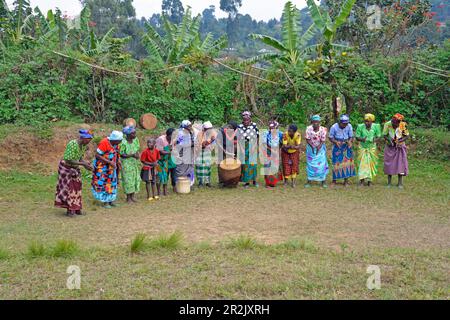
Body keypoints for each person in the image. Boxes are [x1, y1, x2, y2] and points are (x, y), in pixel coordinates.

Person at [55, 129, 94, 217]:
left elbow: (79, 158)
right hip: (66, 168)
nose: (89, 142)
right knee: (69, 189)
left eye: (90, 140)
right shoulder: (72, 144)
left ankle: (77, 209)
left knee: (77, 188)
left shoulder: (83, 145)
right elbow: (68, 159)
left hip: (74, 168)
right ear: (83, 138)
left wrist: (85, 165)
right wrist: (83, 164)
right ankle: (70, 210)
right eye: (88, 140)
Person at [91, 131, 123, 208]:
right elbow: (97, 155)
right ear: (114, 139)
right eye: (119, 140)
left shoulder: (116, 144)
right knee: (103, 184)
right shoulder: (104, 142)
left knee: (112, 184)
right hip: (102, 168)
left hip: (112, 169)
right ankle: (105, 202)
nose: (120, 142)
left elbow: (116, 153)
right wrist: (109, 162)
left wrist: (118, 161)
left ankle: (111, 200)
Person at [383, 113, 410, 188]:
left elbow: (407, 136)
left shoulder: (403, 124)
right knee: (389, 163)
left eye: (396, 124)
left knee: (400, 164)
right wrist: (389, 140)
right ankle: (389, 183)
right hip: (390, 146)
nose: (394, 125)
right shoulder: (387, 124)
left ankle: (400, 183)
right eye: (393, 123)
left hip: (400, 147)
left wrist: (400, 141)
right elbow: (384, 135)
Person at [355, 113, 382, 186]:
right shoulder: (360, 127)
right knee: (362, 164)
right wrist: (362, 139)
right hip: (362, 148)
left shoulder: (376, 127)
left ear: (372, 121)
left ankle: (370, 181)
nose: (366, 123)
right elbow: (357, 137)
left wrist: (375, 140)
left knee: (371, 164)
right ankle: (362, 180)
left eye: (368, 121)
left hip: (372, 148)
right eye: (365, 121)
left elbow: (379, 136)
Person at [329, 114, 356, 187]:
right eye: (344, 124)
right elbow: (330, 137)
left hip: (346, 146)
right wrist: (335, 142)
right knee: (336, 162)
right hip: (337, 146)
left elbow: (351, 136)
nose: (345, 125)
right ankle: (334, 181)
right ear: (340, 122)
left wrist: (350, 141)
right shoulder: (334, 127)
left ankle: (346, 181)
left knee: (347, 163)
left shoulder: (349, 126)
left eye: (346, 124)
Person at [305, 115, 329, 188]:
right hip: (310, 149)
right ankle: (309, 181)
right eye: (314, 122)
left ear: (319, 122)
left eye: (317, 122)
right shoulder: (308, 129)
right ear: (312, 122)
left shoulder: (323, 129)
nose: (315, 124)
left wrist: (319, 146)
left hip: (320, 149)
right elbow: (307, 139)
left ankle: (323, 181)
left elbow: (323, 140)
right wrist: (312, 147)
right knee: (310, 165)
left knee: (322, 165)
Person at [237, 111, 259, 188]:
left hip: (253, 145)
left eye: (247, 119)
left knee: (253, 164)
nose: (246, 121)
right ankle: (247, 182)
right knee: (246, 165)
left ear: (250, 119)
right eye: (244, 120)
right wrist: (241, 148)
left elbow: (258, 136)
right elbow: (239, 138)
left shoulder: (254, 125)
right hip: (244, 146)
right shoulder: (239, 126)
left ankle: (254, 181)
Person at [120, 126, 141, 203]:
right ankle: (128, 198)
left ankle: (133, 196)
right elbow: (121, 154)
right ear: (128, 134)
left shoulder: (135, 140)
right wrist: (131, 155)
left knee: (135, 179)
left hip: (134, 163)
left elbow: (137, 149)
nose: (135, 134)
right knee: (128, 180)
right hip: (126, 163)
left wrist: (137, 155)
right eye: (133, 133)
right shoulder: (123, 142)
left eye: (135, 132)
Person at [174, 120, 197, 187]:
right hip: (183, 154)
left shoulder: (191, 132)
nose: (190, 127)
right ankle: (179, 186)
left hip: (190, 153)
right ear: (184, 126)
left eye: (190, 125)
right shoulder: (180, 133)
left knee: (190, 168)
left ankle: (189, 185)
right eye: (188, 126)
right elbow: (180, 144)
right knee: (181, 169)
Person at [196, 121, 217, 187]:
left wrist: (210, 142)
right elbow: (202, 144)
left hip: (207, 151)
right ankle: (200, 182)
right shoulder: (200, 134)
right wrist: (210, 141)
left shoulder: (212, 133)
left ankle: (208, 182)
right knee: (200, 167)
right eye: (208, 129)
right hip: (199, 152)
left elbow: (213, 144)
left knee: (207, 166)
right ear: (204, 129)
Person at [263, 120, 284, 188]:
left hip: (276, 152)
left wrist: (278, 150)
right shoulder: (266, 134)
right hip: (268, 152)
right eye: (270, 128)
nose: (272, 130)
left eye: (273, 128)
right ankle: (267, 183)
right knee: (267, 167)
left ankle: (273, 182)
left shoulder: (280, 134)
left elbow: (282, 143)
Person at [217, 121, 238, 186]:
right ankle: (222, 181)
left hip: (230, 148)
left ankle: (231, 180)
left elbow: (236, 143)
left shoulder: (235, 132)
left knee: (230, 165)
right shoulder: (221, 131)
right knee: (221, 164)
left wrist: (233, 153)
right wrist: (224, 151)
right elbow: (218, 142)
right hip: (222, 148)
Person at [156, 128, 177, 194]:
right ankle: (160, 191)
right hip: (161, 161)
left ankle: (174, 187)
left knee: (173, 174)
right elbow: (160, 151)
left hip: (171, 159)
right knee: (162, 175)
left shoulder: (174, 139)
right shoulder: (161, 139)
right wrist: (170, 152)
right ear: (168, 135)